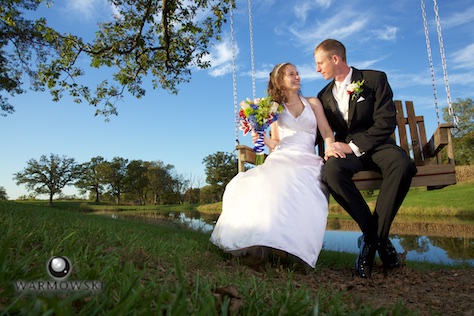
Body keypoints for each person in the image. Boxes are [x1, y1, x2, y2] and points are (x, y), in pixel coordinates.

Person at [210, 62, 343, 268]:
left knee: (299, 181)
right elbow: (276, 142)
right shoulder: (274, 109)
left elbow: (326, 131)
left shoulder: (313, 103)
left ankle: (291, 248)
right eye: (291, 74)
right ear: (280, 81)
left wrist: (331, 148)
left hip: (306, 158)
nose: (297, 77)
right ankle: (262, 242)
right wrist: (259, 135)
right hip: (282, 155)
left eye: (297, 74)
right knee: (263, 181)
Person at [313, 39, 417, 278]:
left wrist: (352, 146)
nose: (317, 69)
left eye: (320, 63)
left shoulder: (374, 79)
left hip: (379, 146)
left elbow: (386, 122)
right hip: (348, 154)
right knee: (331, 172)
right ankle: (378, 239)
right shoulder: (323, 95)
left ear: (335, 59)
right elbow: (319, 132)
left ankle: (370, 242)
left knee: (402, 165)